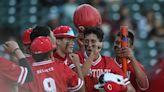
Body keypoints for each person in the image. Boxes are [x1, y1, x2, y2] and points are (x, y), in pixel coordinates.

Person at [76, 27, 136, 92]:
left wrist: (116, 88)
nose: (89, 44)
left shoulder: (109, 62)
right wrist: (92, 54)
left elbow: (131, 89)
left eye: (93, 41)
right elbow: (78, 79)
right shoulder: (76, 57)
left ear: (100, 44)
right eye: (86, 41)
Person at [19, 36, 84, 92]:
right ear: (51, 53)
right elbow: (80, 88)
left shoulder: (27, 74)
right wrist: (77, 65)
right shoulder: (61, 67)